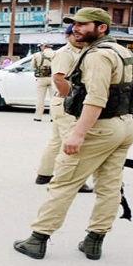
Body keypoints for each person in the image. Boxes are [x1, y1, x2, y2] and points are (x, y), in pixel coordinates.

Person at [14, 8, 133, 261]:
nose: (76, 29)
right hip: (124, 124)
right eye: (75, 24)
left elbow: (96, 97)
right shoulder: (123, 51)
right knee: (109, 185)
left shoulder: (97, 55)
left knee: (64, 182)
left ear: (101, 28)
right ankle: (94, 241)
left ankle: (38, 240)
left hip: (100, 127)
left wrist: (78, 134)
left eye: (83, 24)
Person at [35, 25, 92, 193]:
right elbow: (59, 79)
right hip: (67, 103)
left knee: (56, 141)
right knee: (72, 143)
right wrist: (73, 99)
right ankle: (71, 179)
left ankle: (44, 174)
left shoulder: (82, 52)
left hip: (64, 102)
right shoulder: (65, 53)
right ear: (67, 36)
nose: (80, 38)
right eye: (76, 35)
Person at [31, 42, 55, 122]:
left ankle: (38, 116)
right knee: (53, 98)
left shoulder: (37, 55)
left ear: (44, 46)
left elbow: (33, 66)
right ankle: (53, 117)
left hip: (41, 78)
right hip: (54, 78)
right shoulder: (57, 54)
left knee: (40, 98)